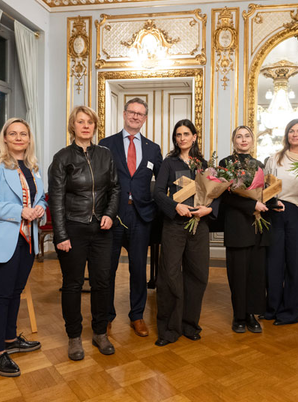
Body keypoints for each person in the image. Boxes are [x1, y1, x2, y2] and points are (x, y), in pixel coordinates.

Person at [0, 118, 46, 377]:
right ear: (4, 138)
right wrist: (20, 211)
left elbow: (41, 201)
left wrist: (41, 210)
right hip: (4, 239)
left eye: (23, 134)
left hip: (27, 239)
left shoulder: (33, 168)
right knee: (2, 295)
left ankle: (9, 339)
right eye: (13, 133)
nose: (18, 138)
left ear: (29, 139)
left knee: (16, 292)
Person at [48, 106, 120, 358]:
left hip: (101, 229)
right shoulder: (62, 158)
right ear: (73, 126)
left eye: (90, 121)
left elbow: (115, 188)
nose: (86, 125)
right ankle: (74, 337)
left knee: (102, 282)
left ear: (94, 126)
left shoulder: (105, 155)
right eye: (81, 121)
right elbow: (56, 200)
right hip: (73, 228)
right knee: (73, 284)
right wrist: (61, 235)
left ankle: (100, 333)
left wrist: (110, 215)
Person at [99, 98, 162, 337]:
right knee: (108, 269)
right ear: (124, 114)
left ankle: (137, 316)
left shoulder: (153, 149)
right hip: (113, 215)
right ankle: (105, 316)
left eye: (141, 114)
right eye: (132, 112)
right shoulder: (106, 145)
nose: (136, 117)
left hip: (142, 216)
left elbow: (164, 182)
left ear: (145, 119)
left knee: (138, 270)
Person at [153, 119, 216, 346]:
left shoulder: (204, 164)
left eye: (186, 134)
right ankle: (169, 329)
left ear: (194, 137)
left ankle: (190, 325)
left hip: (199, 225)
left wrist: (208, 209)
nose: (182, 138)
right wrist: (174, 206)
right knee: (169, 275)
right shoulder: (168, 163)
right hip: (174, 226)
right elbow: (158, 193)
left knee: (198, 275)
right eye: (178, 134)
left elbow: (215, 195)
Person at [219, 126, 271, 333]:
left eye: (247, 136)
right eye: (239, 136)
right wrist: (251, 206)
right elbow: (225, 196)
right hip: (236, 225)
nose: (243, 139)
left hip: (257, 225)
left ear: (252, 140)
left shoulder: (259, 165)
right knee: (238, 273)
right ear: (233, 141)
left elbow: (262, 194)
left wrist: (273, 204)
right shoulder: (225, 163)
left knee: (256, 273)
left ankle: (252, 314)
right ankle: (238, 316)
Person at [264, 119, 298, 325]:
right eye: (291, 131)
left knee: (295, 264)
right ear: (286, 135)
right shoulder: (275, 158)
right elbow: (265, 187)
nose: (295, 134)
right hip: (275, 211)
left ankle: (291, 312)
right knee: (274, 263)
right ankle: (272, 308)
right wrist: (273, 202)